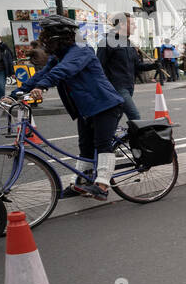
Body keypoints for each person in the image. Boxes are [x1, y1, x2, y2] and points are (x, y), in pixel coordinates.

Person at [8, 14, 127, 200]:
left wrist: (43, 86)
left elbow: (64, 70)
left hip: (105, 104)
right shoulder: (59, 56)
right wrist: (14, 94)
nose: (44, 41)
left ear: (59, 36)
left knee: (102, 144)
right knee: (85, 146)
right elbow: (42, 74)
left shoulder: (81, 50)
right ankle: (81, 183)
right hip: (86, 108)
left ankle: (102, 185)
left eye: (46, 36)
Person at [97, 14, 160, 122]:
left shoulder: (129, 44)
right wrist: (105, 88)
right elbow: (98, 67)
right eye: (132, 24)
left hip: (129, 86)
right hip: (116, 87)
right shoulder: (107, 42)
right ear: (122, 25)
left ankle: (106, 138)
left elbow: (137, 66)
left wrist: (154, 65)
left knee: (115, 118)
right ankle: (138, 139)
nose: (135, 26)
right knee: (135, 117)